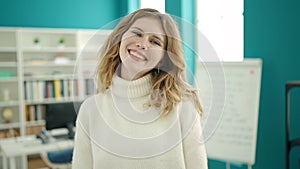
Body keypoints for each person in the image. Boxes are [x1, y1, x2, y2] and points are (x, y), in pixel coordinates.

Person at [72, 8, 208, 169]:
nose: (142, 44)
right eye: (137, 33)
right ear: (120, 39)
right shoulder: (90, 109)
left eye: (155, 41)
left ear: (162, 60)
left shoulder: (182, 105)